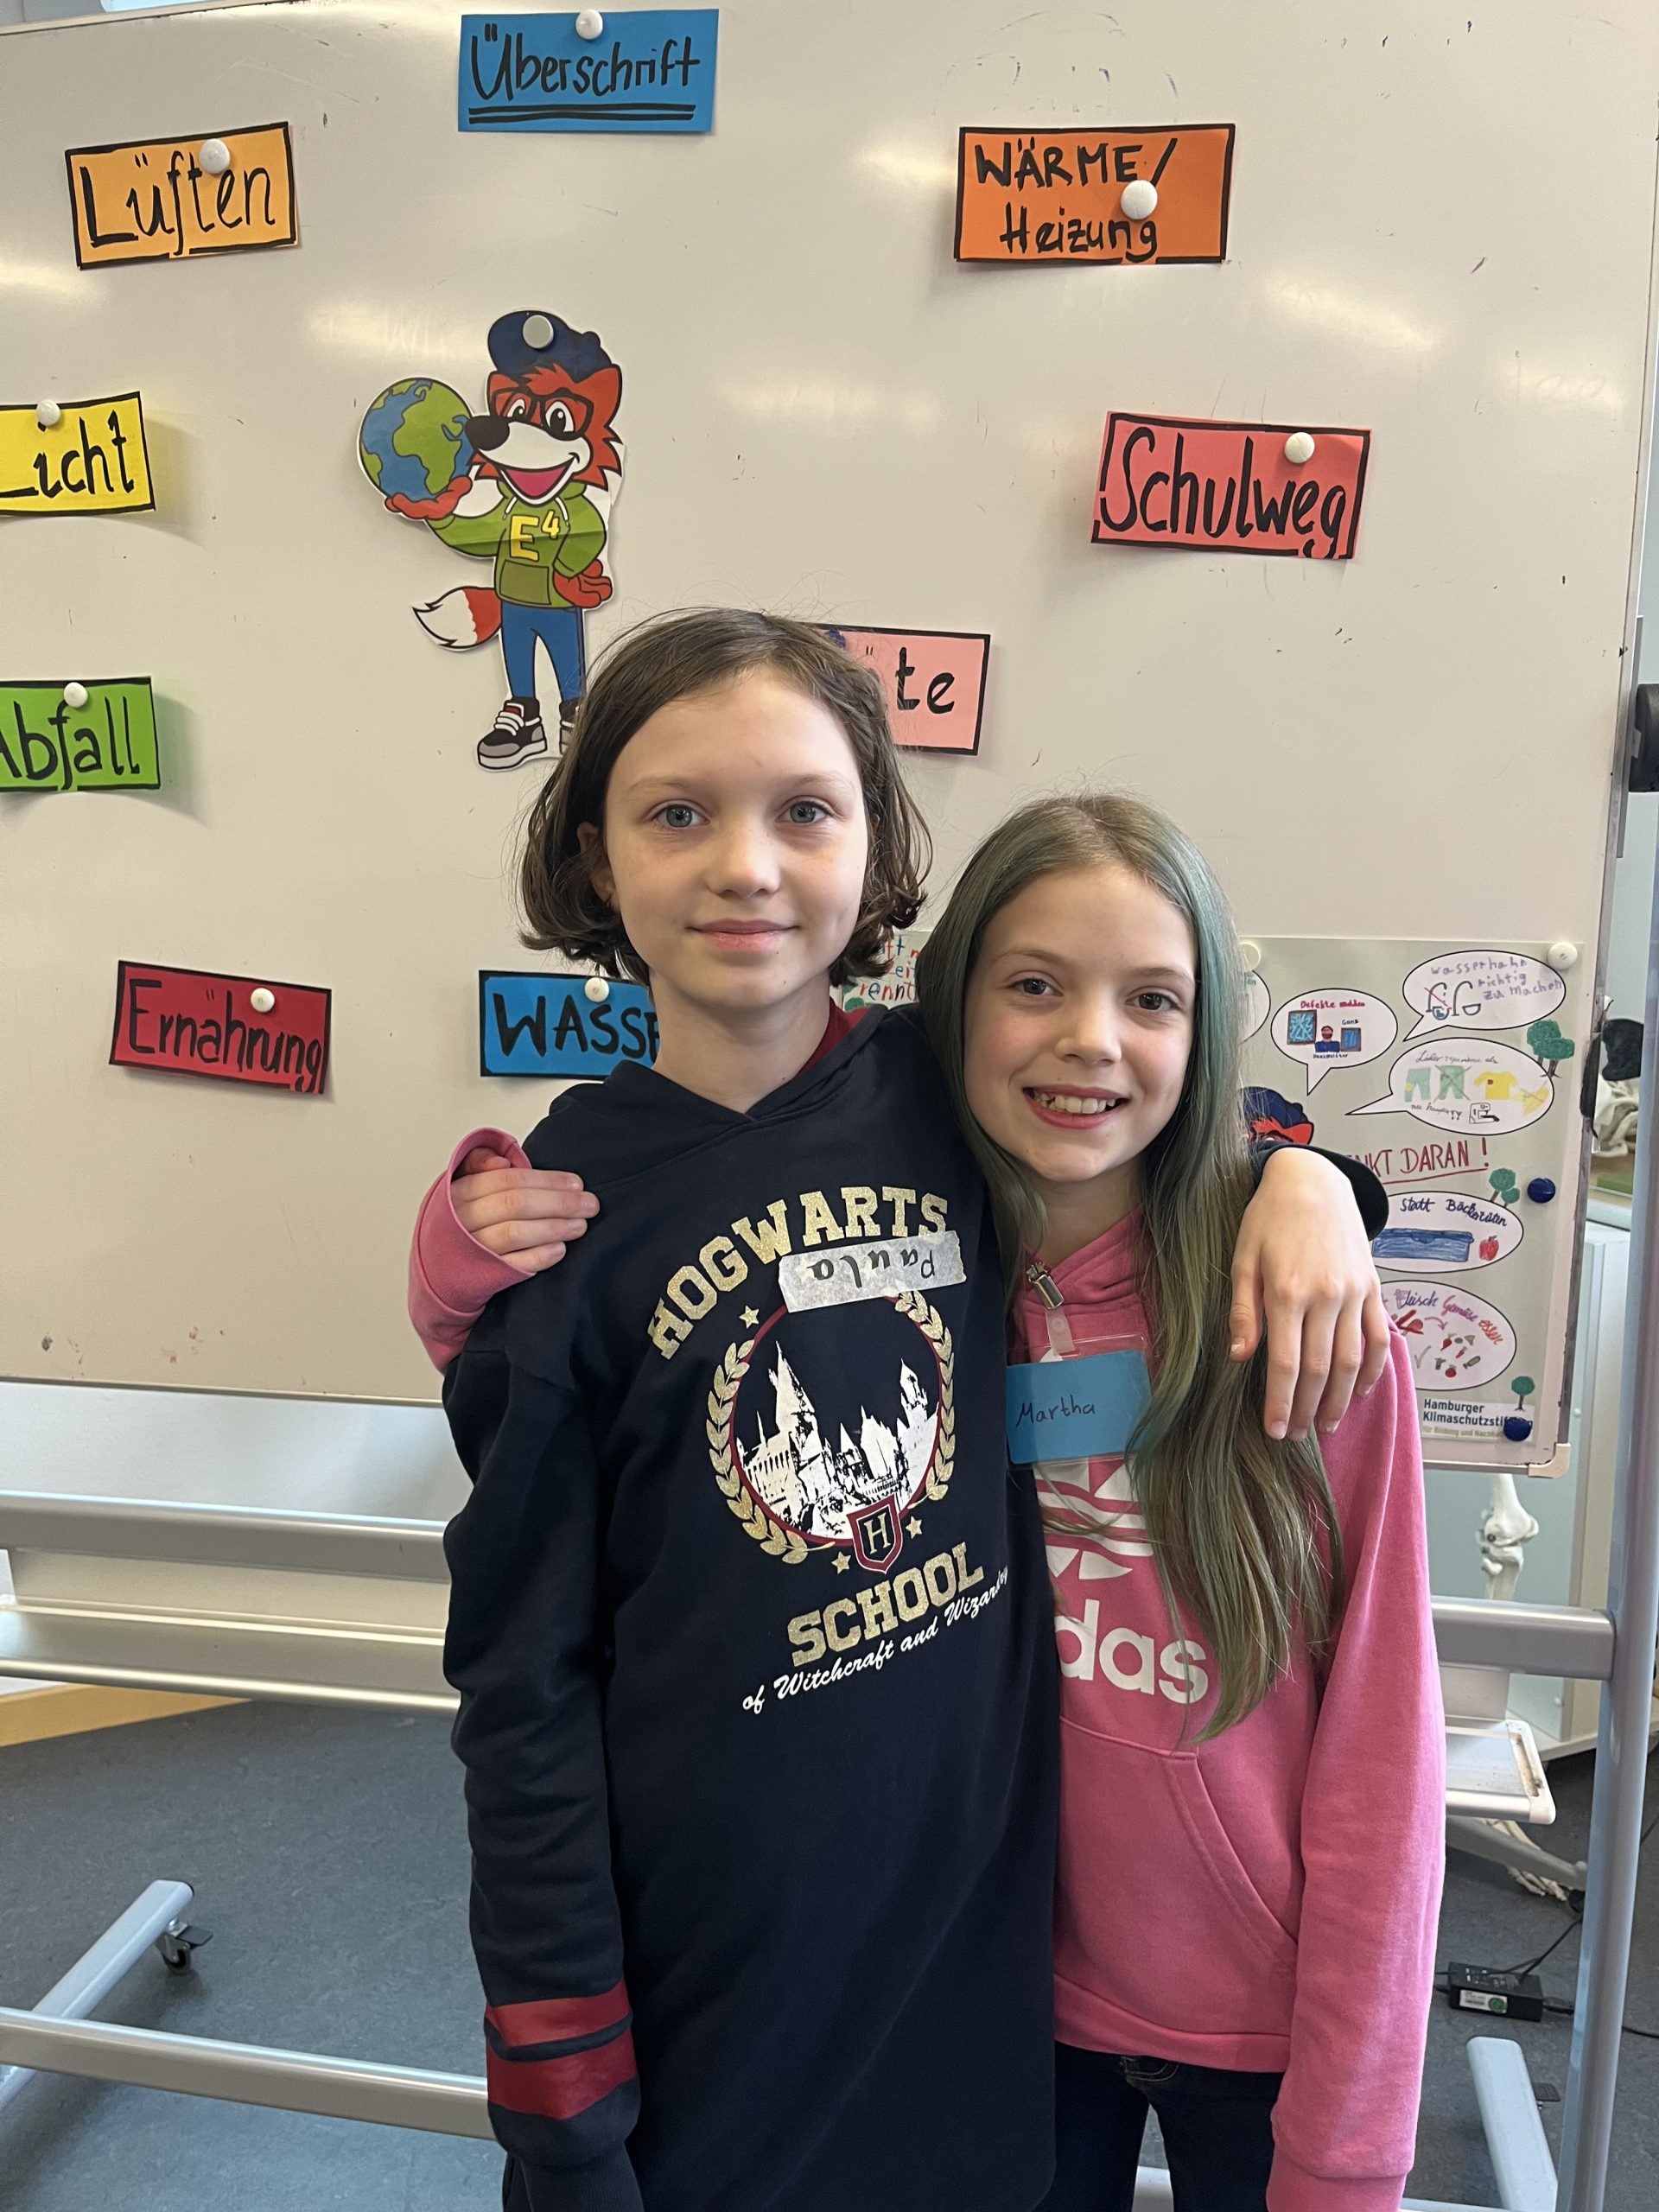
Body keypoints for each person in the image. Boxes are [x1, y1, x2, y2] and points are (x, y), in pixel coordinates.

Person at [423, 610, 1392, 2212]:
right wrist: (563, 2100)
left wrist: (1314, 1183)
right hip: (713, 1982)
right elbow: (520, 1688)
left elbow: (1134, 1108)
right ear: (595, 857)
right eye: (678, 811)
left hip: (973, 1985)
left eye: (804, 810)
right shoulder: (562, 1226)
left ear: (877, 848)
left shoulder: (946, 1095)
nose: (746, 865)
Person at [915, 795, 1442, 2212]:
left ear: (1203, 1037)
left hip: (1256, 2030)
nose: (1093, 1038)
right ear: (951, 1003)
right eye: (1034, 984)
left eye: (1152, 998)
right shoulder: (901, 1291)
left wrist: (1345, 2152)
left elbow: (1381, 1761)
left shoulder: (1309, 1326)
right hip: (993, 1999)